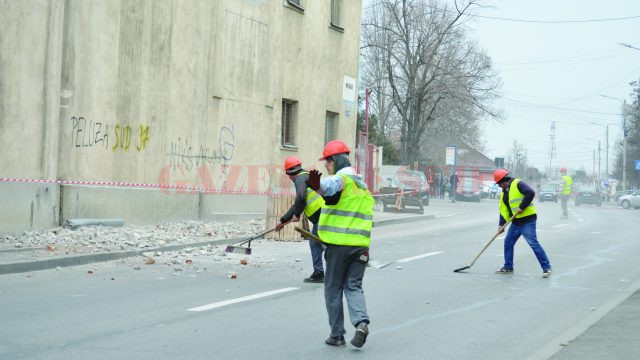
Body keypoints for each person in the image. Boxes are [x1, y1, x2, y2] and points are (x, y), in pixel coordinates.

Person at [307, 140, 374, 348]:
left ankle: (337, 335)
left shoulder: (341, 178)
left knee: (333, 289)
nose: (326, 166)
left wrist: (316, 185)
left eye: (327, 161)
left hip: (339, 247)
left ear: (335, 160)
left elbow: (329, 186)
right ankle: (361, 323)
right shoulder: (363, 186)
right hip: (361, 247)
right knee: (353, 286)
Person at [493, 169, 552, 278]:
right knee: (508, 242)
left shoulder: (518, 183)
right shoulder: (504, 194)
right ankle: (508, 267)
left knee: (533, 243)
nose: (499, 186)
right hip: (516, 222)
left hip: (527, 220)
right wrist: (501, 225)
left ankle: (546, 268)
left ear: (504, 180)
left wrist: (522, 207)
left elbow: (530, 193)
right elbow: (504, 211)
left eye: (499, 184)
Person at [276, 156, 326, 283]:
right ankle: (323, 272)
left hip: (322, 215)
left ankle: (324, 272)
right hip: (323, 214)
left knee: (320, 244)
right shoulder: (305, 176)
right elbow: (299, 202)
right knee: (318, 242)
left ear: (291, 173)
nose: (289, 178)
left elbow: (301, 198)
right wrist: (283, 221)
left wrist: (297, 214)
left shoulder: (300, 179)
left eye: (288, 175)